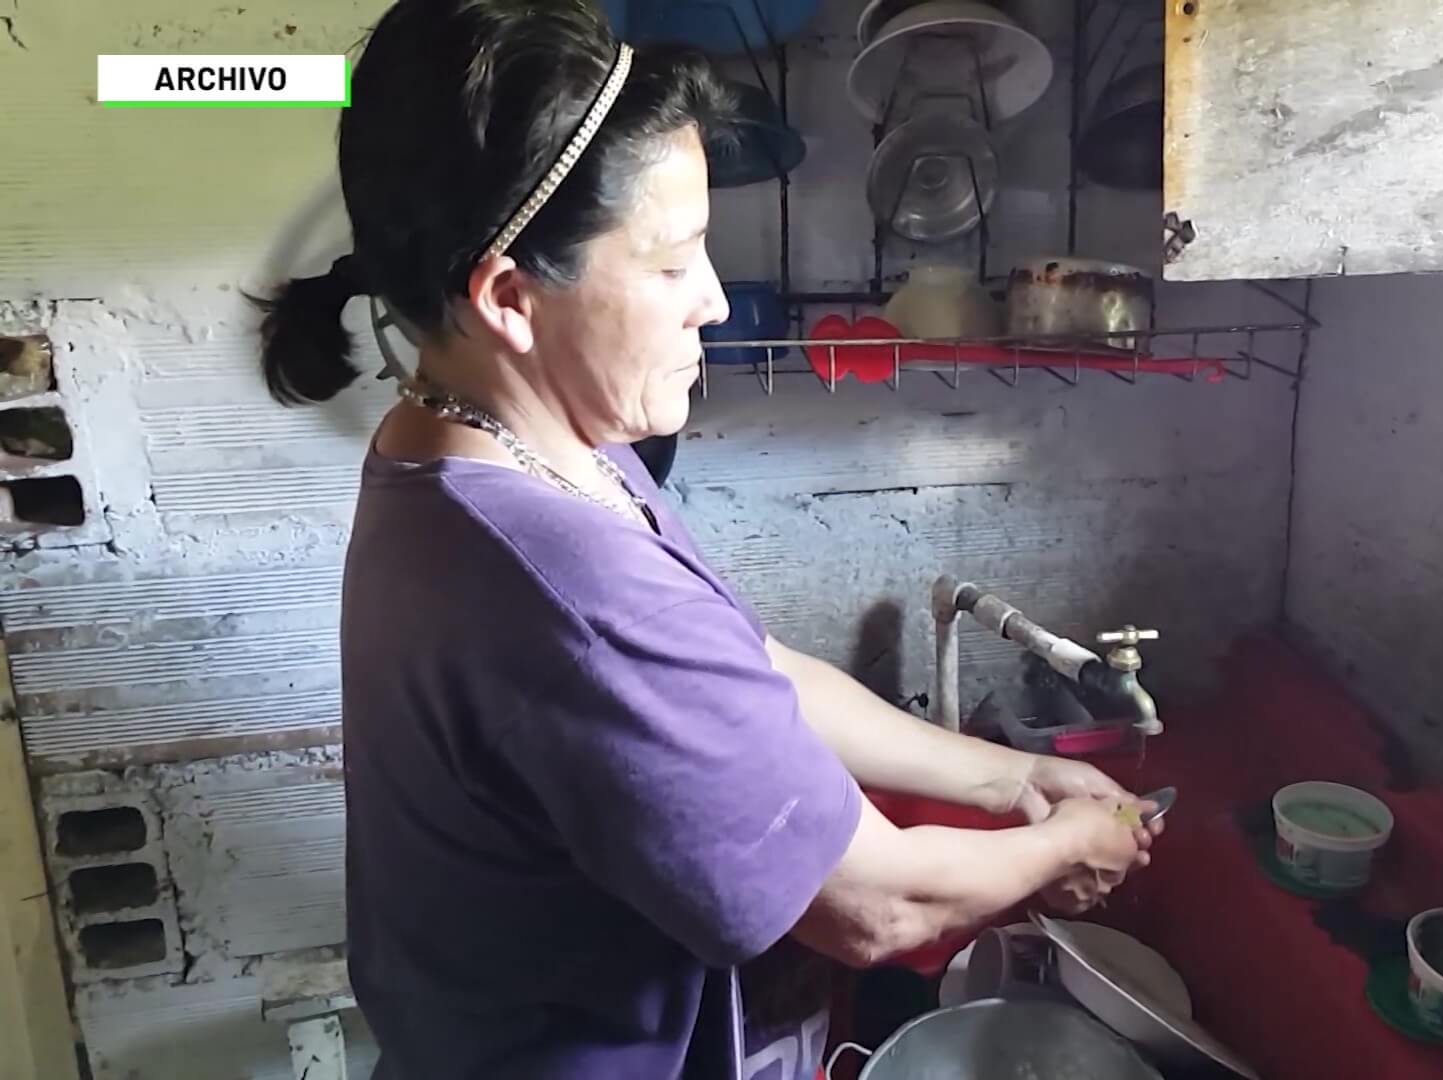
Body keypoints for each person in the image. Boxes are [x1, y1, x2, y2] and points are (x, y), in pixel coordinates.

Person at [250, 3, 1159, 1077]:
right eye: (675, 263)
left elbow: (753, 672)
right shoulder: (562, 585)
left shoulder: (496, 447)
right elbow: (878, 905)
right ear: (509, 296)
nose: (716, 302)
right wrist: (1076, 840)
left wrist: (1009, 783)